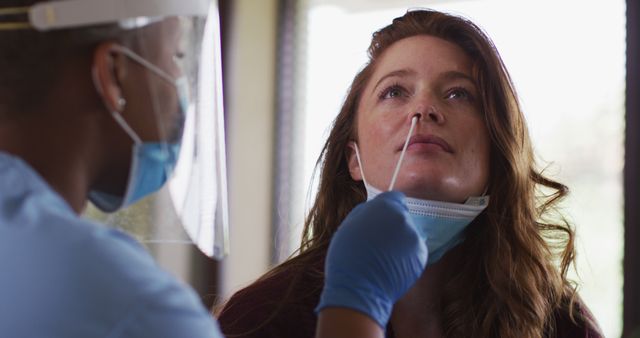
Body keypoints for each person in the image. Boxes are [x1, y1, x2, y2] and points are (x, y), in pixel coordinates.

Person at [0, 0, 426, 337]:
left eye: (461, 95)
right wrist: (356, 304)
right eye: (177, 54)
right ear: (114, 74)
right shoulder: (119, 304)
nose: (423, 112)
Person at [218, 9, 604, 338]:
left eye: (458, 93)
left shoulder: (561, 324)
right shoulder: (261, 320)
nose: (423, 109)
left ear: (497, 156)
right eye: (394, 92)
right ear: (354, 159)